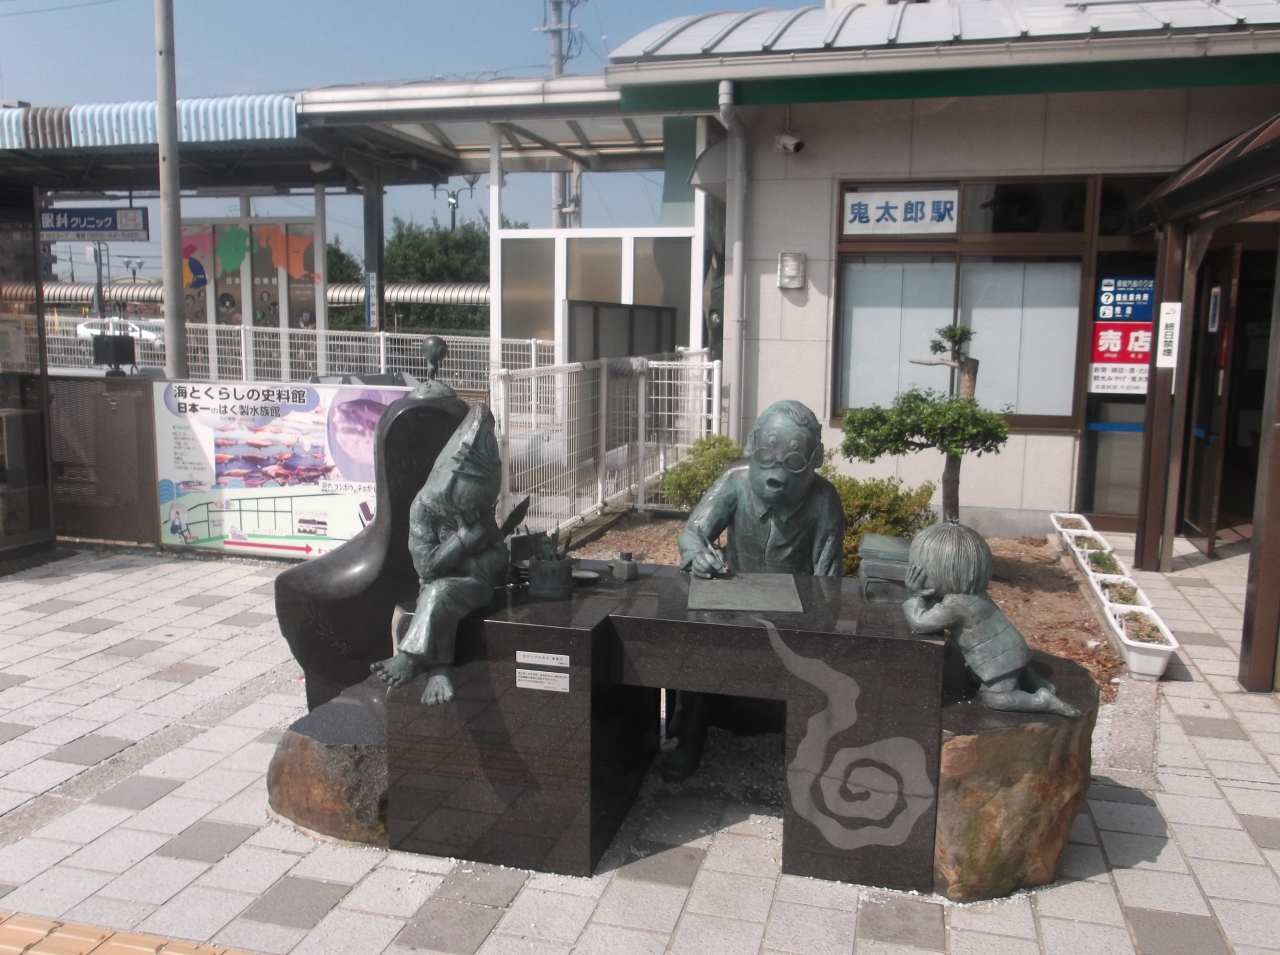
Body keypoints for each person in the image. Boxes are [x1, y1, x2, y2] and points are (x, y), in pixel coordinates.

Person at [667, 400, 846, 780]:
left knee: (809, 660)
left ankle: (799, 742)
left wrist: (819, 625)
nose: (776, 475)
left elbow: (828, 580)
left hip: (796, 610)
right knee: (697, 645)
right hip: (733, 600)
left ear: (816, 460)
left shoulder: (824, 500)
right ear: (752, 446)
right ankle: (690, 738)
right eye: (766, 458)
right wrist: (698, 556)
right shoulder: (735, 482)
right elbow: (693, 533)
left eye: (793, 463)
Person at [370, 404, 508, 705]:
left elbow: (500, 556)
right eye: (467, 505)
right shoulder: (424, 507)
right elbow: (426, 566)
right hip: (434, 585)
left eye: (480, 506)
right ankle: (439, 668)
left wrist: (472, 564)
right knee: (436, 591)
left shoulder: (480, 512)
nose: (475, 512)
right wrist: (462, 541)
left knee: (439, 592)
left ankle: (411, 658)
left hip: (475, 586)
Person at [901, 521, 1079, 717]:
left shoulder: (954, 605)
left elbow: (920, 624)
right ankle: (1035, 681)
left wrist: (915, 597)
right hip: (1012, 649)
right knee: (981, 675)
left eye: (919, 570)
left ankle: (1042, 700)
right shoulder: (974, 594)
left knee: (996, 699)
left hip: (998, 663)